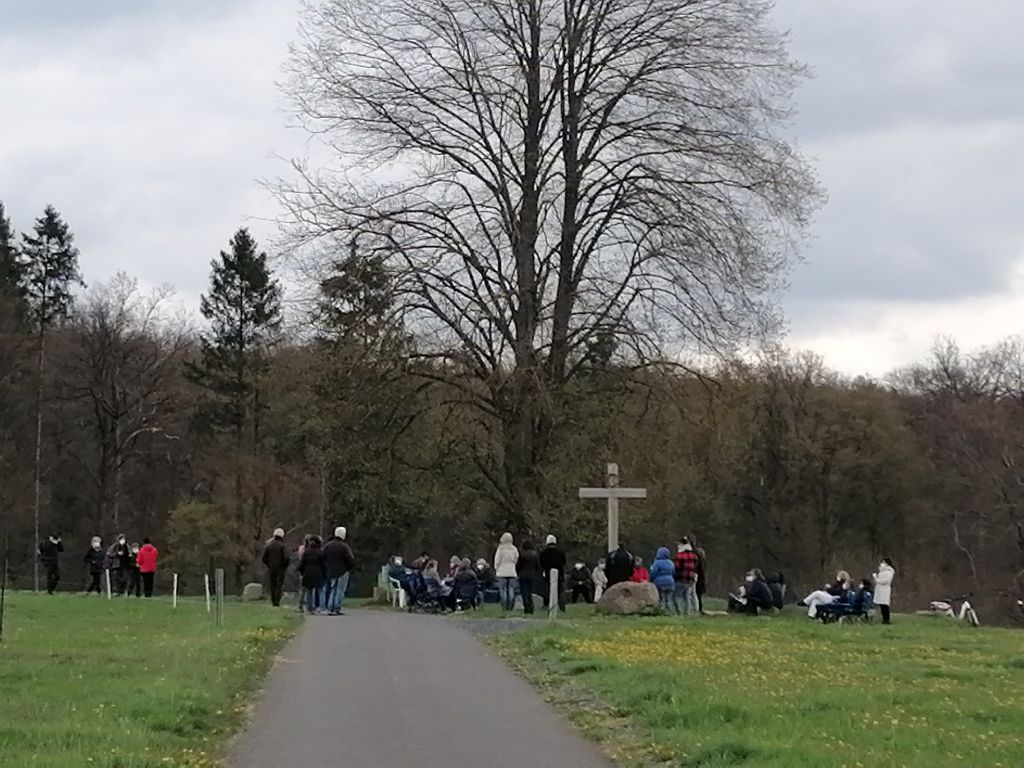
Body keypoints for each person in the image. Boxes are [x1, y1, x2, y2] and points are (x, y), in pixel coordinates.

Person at [323, 526, 356, 615]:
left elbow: (323, 557)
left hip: (331, 570)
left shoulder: (328, 546)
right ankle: (337, 607)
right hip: (343, 571)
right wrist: (349, 568)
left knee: (333, 589)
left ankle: (330, 607)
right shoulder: (345, 547)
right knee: (340, 590)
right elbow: (350, 559)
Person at [298, 535, 328, 614]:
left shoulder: (306, 552)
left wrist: (302, 572)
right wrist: (325, 574)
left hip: (307, 573)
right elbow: (323, 565)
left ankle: (309, 608)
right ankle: (321, 608)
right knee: (321, 591)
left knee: (309, 591)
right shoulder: (320, 552)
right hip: (318, 573)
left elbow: (302, 564)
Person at [261, 528, 290, 607]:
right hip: (281, 569)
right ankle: (277, 601)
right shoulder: (283, 546)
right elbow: (286, 558)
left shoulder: (269, 546)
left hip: (271, 568)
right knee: (279, 585)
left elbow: (264, 558)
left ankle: (273, 601)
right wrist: (285, 566)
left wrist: (269, 564)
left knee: (272, 584)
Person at [538, 534, 567, 612]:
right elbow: (564, 562)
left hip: (548, 573)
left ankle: (547, 605)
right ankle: (562, 607)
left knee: (547, 590)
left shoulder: (544, 553)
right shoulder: (560, 552)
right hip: (559, 574)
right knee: (560, 591)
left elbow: (541, 563)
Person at [673, 538, 700, 617]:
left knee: (678, 596)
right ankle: (687, 613)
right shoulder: (694, 556)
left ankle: (680, 613)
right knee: (687, 597)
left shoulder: (679, 556)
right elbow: (695, 567)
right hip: (690, 579)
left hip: (681, 578)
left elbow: (676, 567)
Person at [493, 532, 519, 612]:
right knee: (511, 589)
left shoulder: (500, 549)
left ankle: (504, 606)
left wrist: (496, 568)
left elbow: (497, 560)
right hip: (511, 571)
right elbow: (516, 559)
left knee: (502, 589)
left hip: (501, 571)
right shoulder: (514, 549)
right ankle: (510, 606)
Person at [517, 540, 540, 615]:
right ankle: (531, 608)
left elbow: (519, 566)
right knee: (530, 592)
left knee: (524, 593)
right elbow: (537, 566)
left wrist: (518, 572)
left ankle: (526, 608)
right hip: (532, 575)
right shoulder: (535, 555)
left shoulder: (522, 554)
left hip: (523, 575)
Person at [648, 547, 676, 612]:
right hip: (670, 583)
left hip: (659, 583)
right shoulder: (671, 563)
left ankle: (662, 611)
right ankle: (669, 611)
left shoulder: (657, 563)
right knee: (668, 599)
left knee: (661, 599)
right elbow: (673, 572)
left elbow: (653, 572)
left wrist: (650, 580)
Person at [873, 558, 896, 625]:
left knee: (885, 605)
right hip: (880, 590)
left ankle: (886, 620)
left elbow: (886, 581)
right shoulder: (882, 571)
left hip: (885, 590)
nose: (882, 564)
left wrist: (876, 579)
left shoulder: (889, 571)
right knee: (881, 605)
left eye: (883, 562)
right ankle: (884, 619)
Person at [691, 535, 708, 612]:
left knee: (694, 594)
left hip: (695, 575)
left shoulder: (694, 553)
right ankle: (699, 609)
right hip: (701, 575)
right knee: (698, 595)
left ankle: (696, 609)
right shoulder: (701, 553)